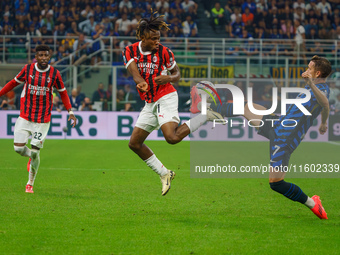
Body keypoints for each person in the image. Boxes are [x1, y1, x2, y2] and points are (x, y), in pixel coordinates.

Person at [192, 55, 331, 219]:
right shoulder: (312, 87)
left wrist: (310, 86)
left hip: (285, 138)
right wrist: (323, 123)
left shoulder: (322, 89)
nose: (306, 70)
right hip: (279, 124)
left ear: (317, 73)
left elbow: (325, 104)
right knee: (245, 107)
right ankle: (204, 106)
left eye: (310, 68)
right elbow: (324, 109)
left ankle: (314, 204)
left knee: (276, 183)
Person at [122, 11, 222, 196]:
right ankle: (164, 173)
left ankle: (206, 115)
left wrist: (168, 77)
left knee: (172, 138)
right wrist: (140, 82)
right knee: (134, 144)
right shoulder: (130, 50)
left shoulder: (165, 52)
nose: (157, 41)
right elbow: (133, 71)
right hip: (150, 101)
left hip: (166, 95)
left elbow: (177, 74)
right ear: (143, 37)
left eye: (159, 38)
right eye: (153, 39)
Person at [0, 45, 77, 194]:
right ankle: (31, 157)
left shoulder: (55, 74)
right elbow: (13, 83)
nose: (43, 58)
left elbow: (63, 93)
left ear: (50, 57)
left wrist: (70, 111)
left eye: (46, 55)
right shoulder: (27, 69)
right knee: (18, 148)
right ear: (36, 56)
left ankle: (30, 183)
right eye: (40, 55)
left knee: (36, 152)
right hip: (25, 116)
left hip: (42, 120)